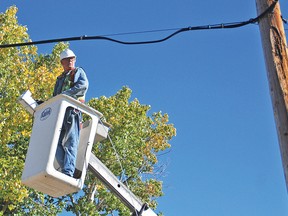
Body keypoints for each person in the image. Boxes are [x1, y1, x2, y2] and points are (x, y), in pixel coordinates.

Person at [53, 49, 89, 178]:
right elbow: (55, 96)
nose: (71, 61)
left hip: (72, 110)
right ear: (62, 62)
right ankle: (67, 169)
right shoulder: (60, 78)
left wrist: (65, 95)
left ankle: (68, 171)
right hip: (60, 112)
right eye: (68, 60)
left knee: (71, 142)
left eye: (72, 59)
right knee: (55, 142)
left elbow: (82, 86)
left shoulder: (77, 72)